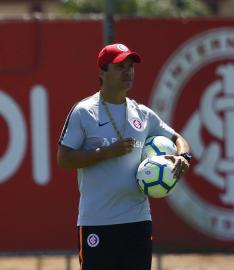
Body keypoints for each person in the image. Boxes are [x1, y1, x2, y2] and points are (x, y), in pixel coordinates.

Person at [57, 43, 191, 270]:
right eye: (120, 67)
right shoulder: (84, 111)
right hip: (98, 222)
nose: (128, 72)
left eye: (131, 67)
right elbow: (64, 159)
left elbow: (178, 138)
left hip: (137, 221)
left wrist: (183, 156)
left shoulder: (143, 113)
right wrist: (106, 153)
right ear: (102, 71)